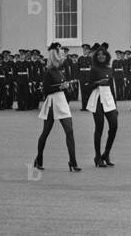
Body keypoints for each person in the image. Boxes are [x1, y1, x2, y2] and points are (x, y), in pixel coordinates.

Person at [34, 42, 80, 172]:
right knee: (46, 132)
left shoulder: (60, 71)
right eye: (60, 53)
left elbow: (61, 87)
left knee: (69, 131)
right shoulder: (49, 72)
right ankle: (39, 158)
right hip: (52, 102)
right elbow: (45, 90)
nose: (63, 55)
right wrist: (60, 87)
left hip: (62, 101)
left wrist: (66, 87)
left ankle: (73, 161)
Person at [86, 42, 119, 167]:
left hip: (108, 98)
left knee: (114, 126)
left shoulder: (110, 69)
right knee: (99, 127)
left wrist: (115, 106)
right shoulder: (94, 69)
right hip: (98, 98)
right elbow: (87, 87)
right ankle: (97, 156)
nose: (100, 56)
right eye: (98, 54)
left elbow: (112, 87)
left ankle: (107, 153)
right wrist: (98, 82)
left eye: (103, 54)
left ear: (107, 56)